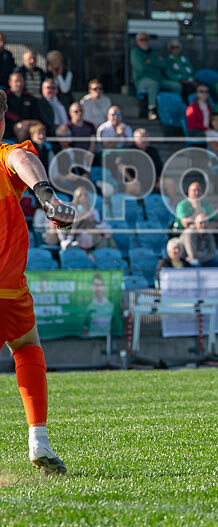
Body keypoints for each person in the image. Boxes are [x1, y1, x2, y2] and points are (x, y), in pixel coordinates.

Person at [0, 89, 76, 475]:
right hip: (8, 285)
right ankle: (38, 441)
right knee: (27, 346)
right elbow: (21, 157)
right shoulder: (4, 154)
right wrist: (46, 196)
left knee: (28, 343)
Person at [129, 33, 181, 120]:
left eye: (146, 39)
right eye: (142, 40)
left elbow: (163, 64)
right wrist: (156, 64)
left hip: (159, 79)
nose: (144, 41)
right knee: (153, 84)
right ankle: (152, 110)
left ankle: (175, 107)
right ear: (137, 41)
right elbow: (141, 67)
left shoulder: (155, 52)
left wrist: (150, 62)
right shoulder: (135, 52)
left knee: (176, 86)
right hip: (142, 81)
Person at [4, 72, 36, 140]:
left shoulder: (29, 97)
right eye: (16, 81)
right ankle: (20, 147)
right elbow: (5, 112)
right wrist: (20, 120)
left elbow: (34, 112)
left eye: (21, 81)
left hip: (28, 122)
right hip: (10, 125)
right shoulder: (4, 96)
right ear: (10, 82)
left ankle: (41, 149)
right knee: (22, 126)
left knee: (39, 126)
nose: (19, 84)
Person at [85, 273, 114, 337]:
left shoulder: (111, 306)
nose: (98, 288)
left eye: (100, 285)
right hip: (92, 337)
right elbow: (85, 325)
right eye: (95, 285)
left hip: (107, 337)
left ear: (104, 287)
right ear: (92, 287)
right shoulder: (89, 307)